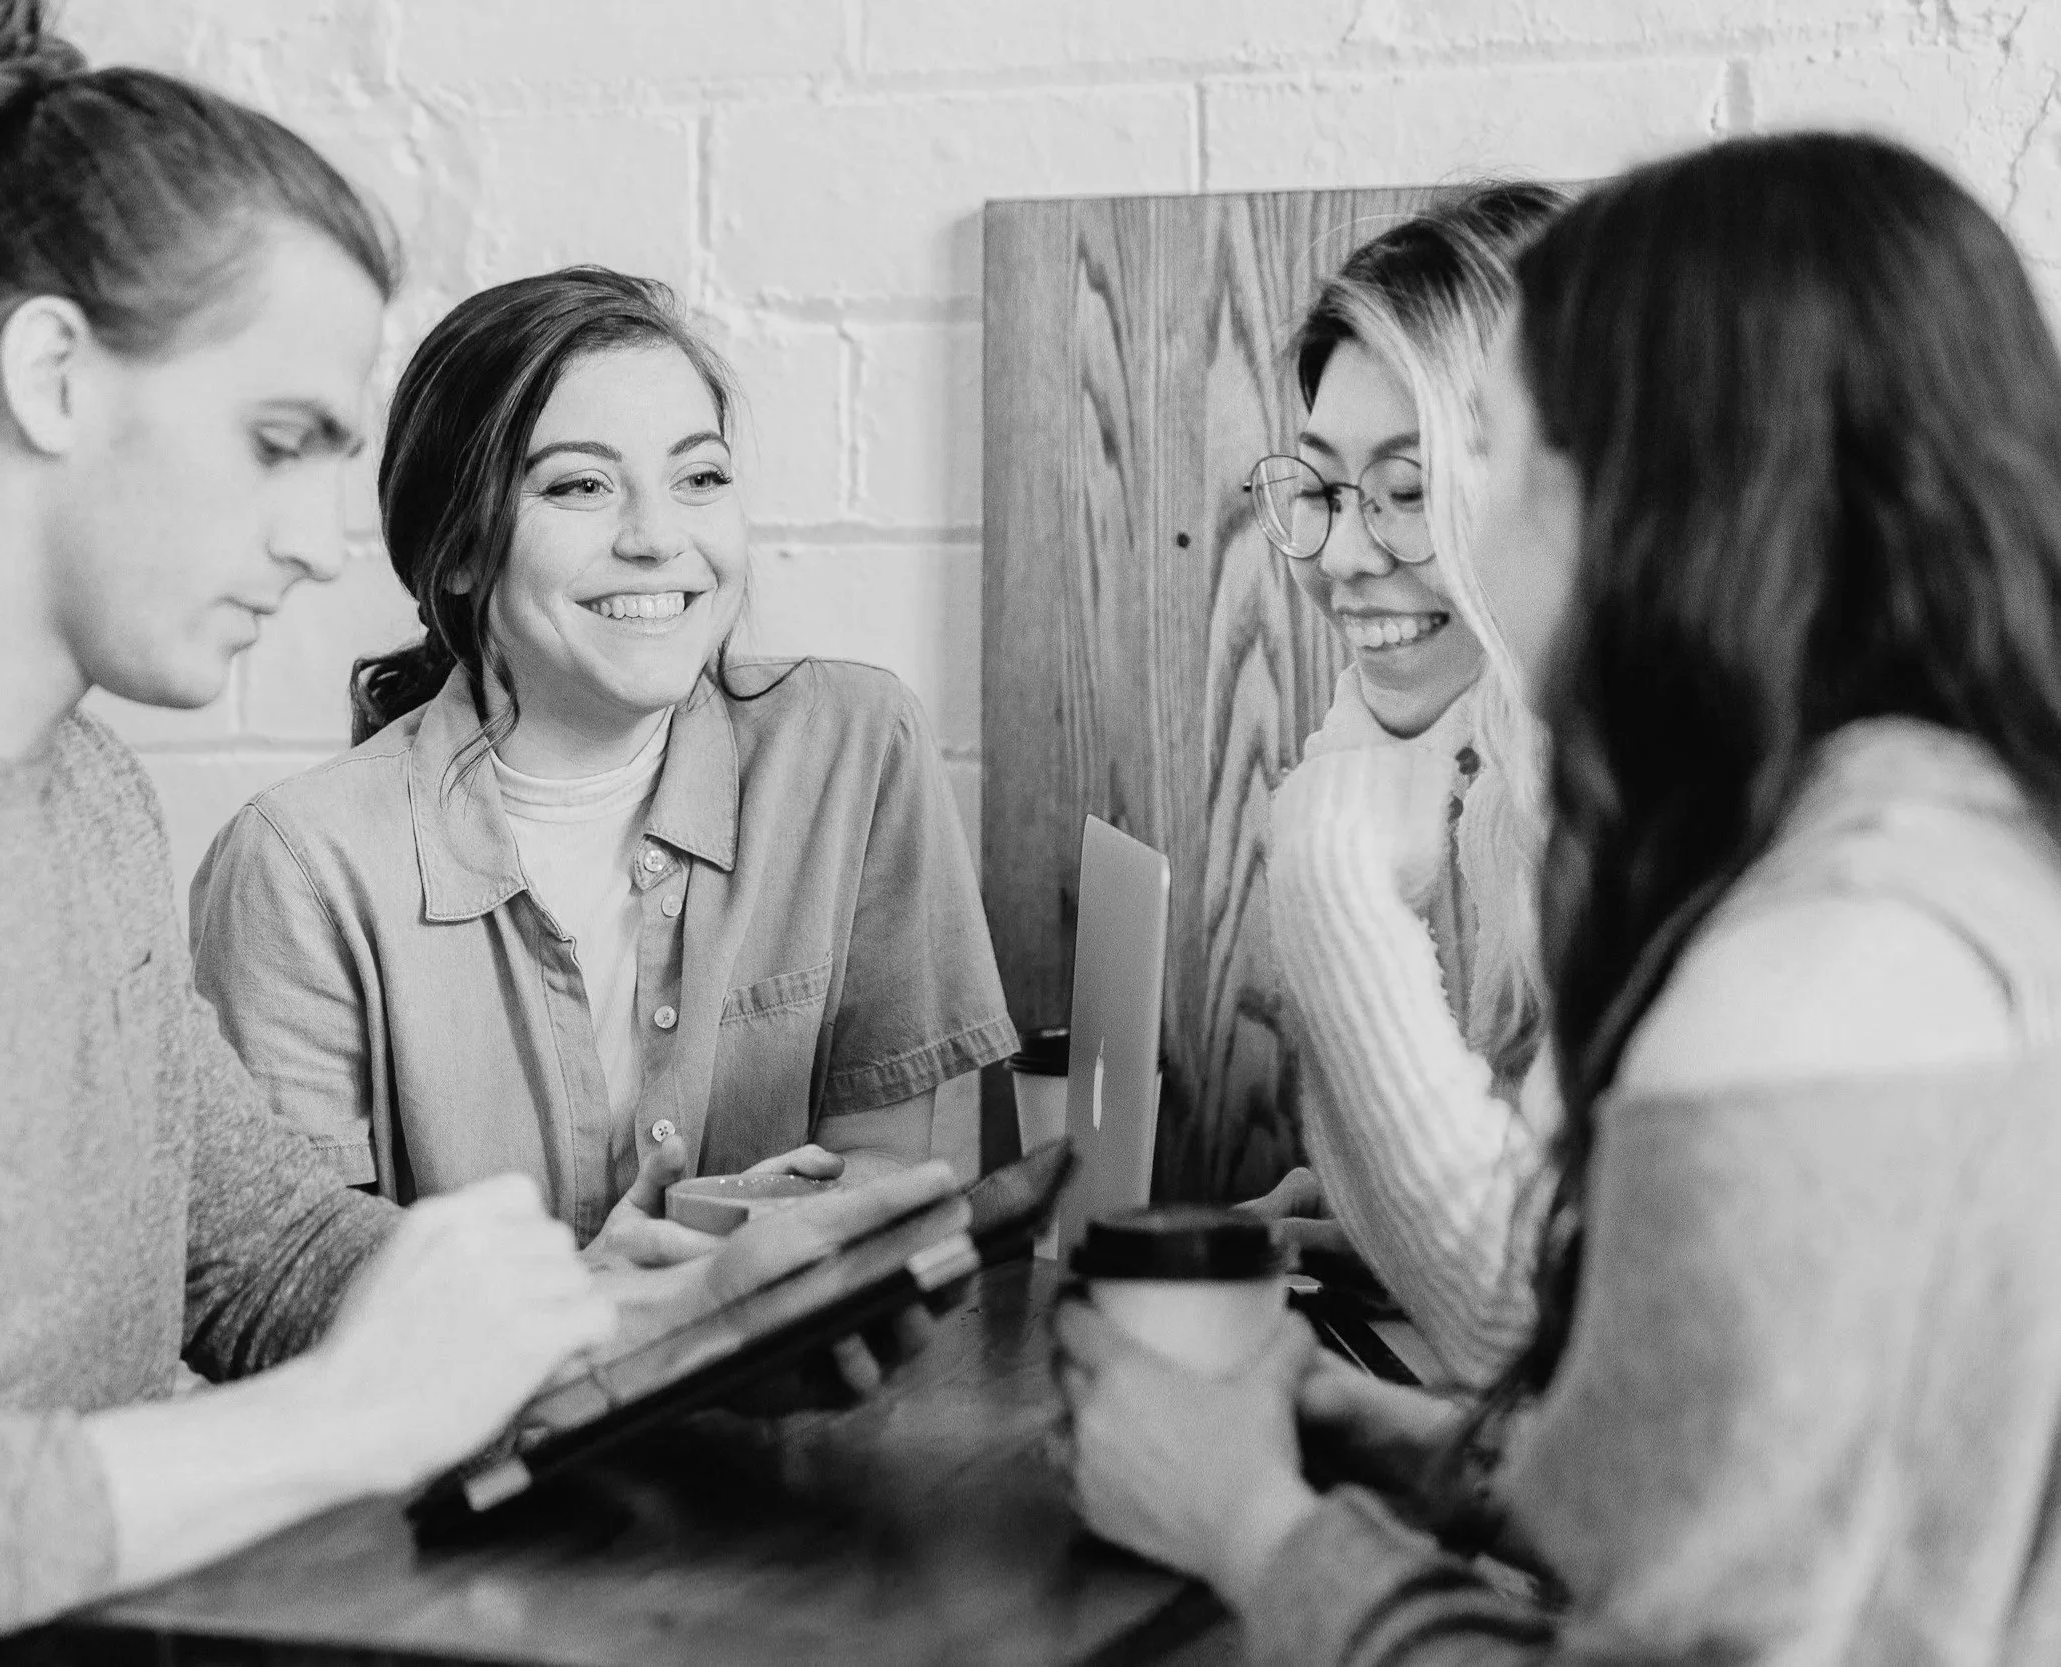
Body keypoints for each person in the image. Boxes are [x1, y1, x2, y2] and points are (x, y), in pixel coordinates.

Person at [0, 6, 959, 1663]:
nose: (319, 541)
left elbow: (274, 1250)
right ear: (54, 374)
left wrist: (657, 1329)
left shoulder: (78, 791)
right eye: (279, 442)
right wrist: (340, 1421)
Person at [1058, 131, 2061, 1659]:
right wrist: (1420, 1453)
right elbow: (1786, 1507)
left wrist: (1244, 1517)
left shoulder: (1809, 974)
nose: (1465, 525)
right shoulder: (1959, 852)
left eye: (1501, 455)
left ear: (1668, 496)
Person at [189, 266, 1018, 1254]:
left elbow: (886, 1165)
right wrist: (607, 1297)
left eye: (699, 477)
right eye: (579, 485)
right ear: (455, 548)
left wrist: (765, 1229)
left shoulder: (851, 746)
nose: (659, 537)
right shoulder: (297, 865)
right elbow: (291, 1288)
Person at [1243, 183, 1564, 1385]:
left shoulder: (1650, 802)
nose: (1340, 553)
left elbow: (1522, 1331)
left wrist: (1326, 872)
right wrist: (1383, 1219)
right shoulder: (1432, 756)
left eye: (1411, 487)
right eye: (1321, 488)